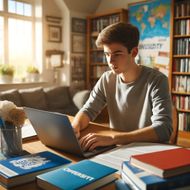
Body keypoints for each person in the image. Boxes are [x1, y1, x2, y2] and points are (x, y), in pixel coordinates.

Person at [72, 22, 172, 151]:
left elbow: (164, 129)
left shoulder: (157, 80)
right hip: (118, 149)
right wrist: (75, 127)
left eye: (117, 54)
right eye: (107, 54)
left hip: (148, 150)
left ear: (134, 52)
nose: (110, 61)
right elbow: (88, 110)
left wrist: (115, 138)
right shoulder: (107, 79)